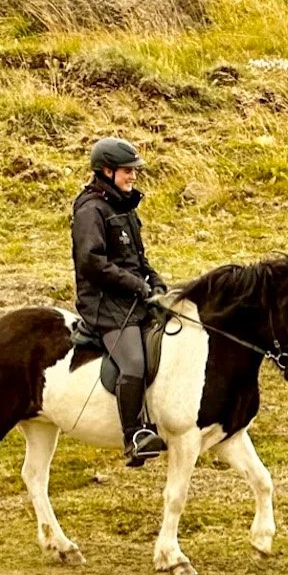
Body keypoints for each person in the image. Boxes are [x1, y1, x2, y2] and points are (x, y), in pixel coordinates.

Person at [71, 136, 170, 465]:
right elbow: (92, 263)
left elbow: (137, 259)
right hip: (104, 305)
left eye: (133, 171)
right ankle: (135, 436)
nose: (132, 177)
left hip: (130, 296)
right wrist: (136, 286)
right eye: (127, 171)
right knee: (134, 363)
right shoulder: (90, 211)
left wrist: (154, 281)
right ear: (106, 171)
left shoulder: (123, 208)